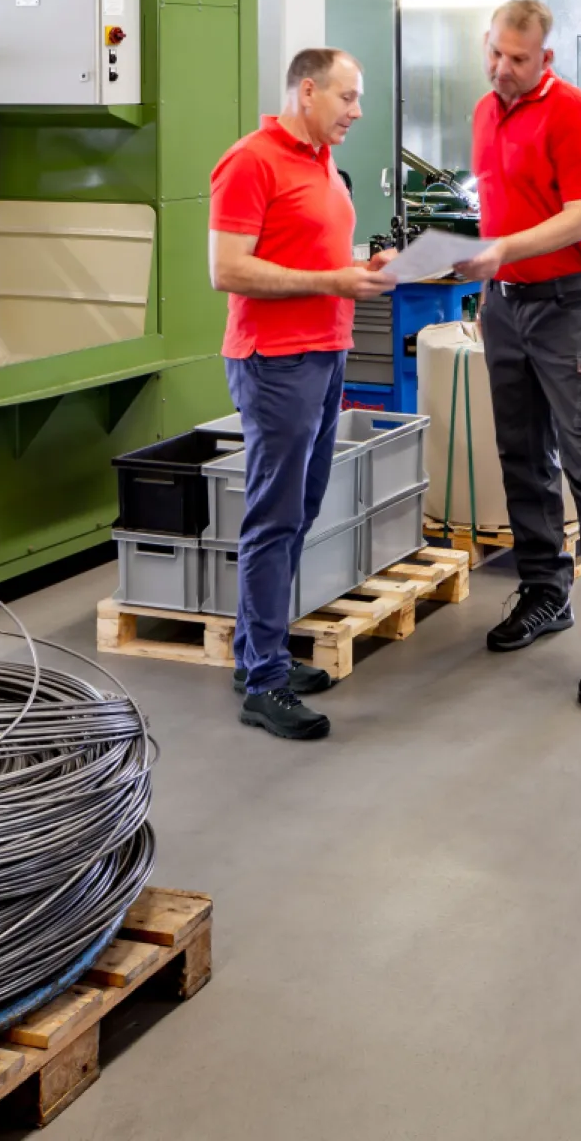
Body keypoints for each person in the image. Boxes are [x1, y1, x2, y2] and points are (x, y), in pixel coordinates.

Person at [452, 0, 581, 704]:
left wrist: (500, 251)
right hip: (506, 306)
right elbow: (499, 206)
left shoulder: (576, 113)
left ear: (546, 58)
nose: (502, 68)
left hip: (570, 309)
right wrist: (488, 289)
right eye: (495, 53)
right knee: (522, 456)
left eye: (518, 59)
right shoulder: (484, 112)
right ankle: (544, 591)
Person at [208, 47, 397, 741]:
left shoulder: (321, 163)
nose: (357, 111)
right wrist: (332, 282)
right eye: (348, 97)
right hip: (276, 362)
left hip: (325, 352)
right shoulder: (250, 162)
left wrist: (361, 269)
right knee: (275, 516)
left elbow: (311, 254)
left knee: (301, 509)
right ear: (307, 91)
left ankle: (259, 652)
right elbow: (227, 269)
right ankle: (263, 681)